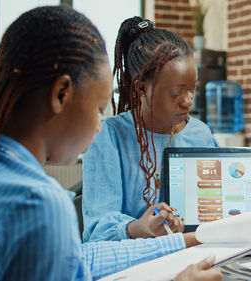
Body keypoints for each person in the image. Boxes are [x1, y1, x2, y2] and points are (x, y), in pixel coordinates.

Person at [0, 6, 221, 281]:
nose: (99, 125)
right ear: (60, 94)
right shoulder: (37, 203)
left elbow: (84, 259)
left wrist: (188, 241)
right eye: (98, 108)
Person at [82, 16, 219, 242]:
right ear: (142, 88)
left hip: (197, 254)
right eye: (176, 93)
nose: (188, 102)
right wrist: (137, 228)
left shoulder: (202, 134)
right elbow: (97, 233)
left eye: (192, 89)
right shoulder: (108, 137)